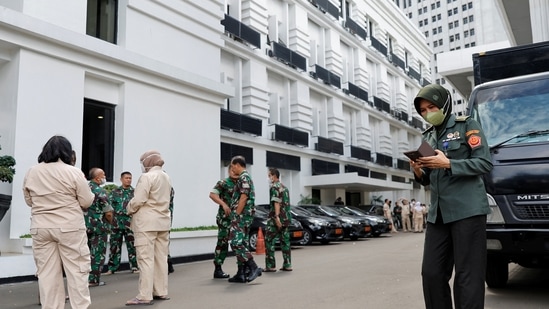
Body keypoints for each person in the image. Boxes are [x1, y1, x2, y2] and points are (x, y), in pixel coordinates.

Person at [410, 84, 492, 309]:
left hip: (468, 210)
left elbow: (484, 162)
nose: (428, 113)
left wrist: (449, 163)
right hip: (438, 214)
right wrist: (418, 170)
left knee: (468, 275)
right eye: (423, 110)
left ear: (445, 104)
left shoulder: (467, 125)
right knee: (431, 274)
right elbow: (427, 176)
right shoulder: (428, 138)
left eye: (432, 106)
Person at [23, 135, 95, 308]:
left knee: (47, 275)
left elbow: (29, 200)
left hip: (41, 227)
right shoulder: (73, 172)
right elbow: (86, 201)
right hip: (69, 227)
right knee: (77, 272)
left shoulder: (32, 171)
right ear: (67, 152)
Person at [126, 150, 172, 305]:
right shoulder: (166, 176)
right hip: (163, 222)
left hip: (146, 223)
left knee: (145, 259)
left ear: (148, 161)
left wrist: (128, 208)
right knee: (161, 258)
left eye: (142, 161)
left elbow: (138, 200)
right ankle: (161, 291)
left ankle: (144, 295)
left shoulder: (146, 177)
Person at [227, 155, 262, 283]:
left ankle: (253, 267)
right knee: (242, 243)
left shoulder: (244, 177)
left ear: (237, 165)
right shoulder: (245, 178)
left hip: (241, 216)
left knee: (236, 243)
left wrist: (237, 214)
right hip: (245, 216)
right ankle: (241, 273)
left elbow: (243, 197)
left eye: (232, 166)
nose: (232, 169)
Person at [105, 171, 139, 275]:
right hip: (117, 223)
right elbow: (109, 207)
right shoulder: (115, 192)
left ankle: (135, 267)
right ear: (121, 179)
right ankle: (112, 268)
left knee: (132, 246)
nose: (128, 180)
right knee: (114, 246)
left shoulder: (135, 192)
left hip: (130, 223)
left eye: (130, 178)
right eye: (126, 178)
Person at [208, 166, 238, 279]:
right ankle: (218, 268)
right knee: (222, 243)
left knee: (239, 243)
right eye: (232, 170)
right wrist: (223, 204)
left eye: (236, 170)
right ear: (229, 171)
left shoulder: (241, 183)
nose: (234, 173)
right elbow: (212, 194)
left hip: (237, 218)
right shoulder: (223, 183)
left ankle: (242, 268)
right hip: (225, 219)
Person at [86, 168, 113, 287]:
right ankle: (93, 279)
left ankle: (82, 279)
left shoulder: (84, 189)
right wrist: (110, 222)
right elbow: (108, 212)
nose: (105, 177)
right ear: (97, 178)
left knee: (84, 253)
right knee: (97, 254)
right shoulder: (100, 191)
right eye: (103, 175)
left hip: (84, 226)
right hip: (99, 227)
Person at [264, 168, 292, 272]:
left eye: (269, 175)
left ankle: (270, 265)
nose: (268, 178)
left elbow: (276, 202)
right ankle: (287, 264)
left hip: (276, 219)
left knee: (269, 240)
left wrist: (276, 217)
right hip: (286, 218)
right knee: (285, 241)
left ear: (274, 176)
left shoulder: (274, 187)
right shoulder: (285, 188)